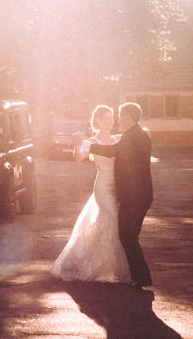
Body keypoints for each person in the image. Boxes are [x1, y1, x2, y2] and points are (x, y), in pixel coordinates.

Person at [50, 105, 133, 283]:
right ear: (97, 121)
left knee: (110, 224)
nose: (110, 121)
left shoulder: (118, 138)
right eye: (106, 118)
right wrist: (77, 144)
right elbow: (79, 158)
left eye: (112, 118)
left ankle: (112, 267)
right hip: (103, 185)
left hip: (118, 186)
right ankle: (113, 269)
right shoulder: (92, 141)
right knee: (111, 220)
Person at [88, 101, 154, 288]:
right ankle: (140, 277)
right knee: (129, 236)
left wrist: (87, 145)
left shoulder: (132, 137)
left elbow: (111, 151)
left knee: (127, 237)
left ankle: (141, 278)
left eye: (120, 116)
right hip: (141, 195)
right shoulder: (138, 134)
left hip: (134, 197)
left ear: (128, 117)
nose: (118, 120)